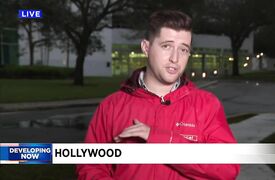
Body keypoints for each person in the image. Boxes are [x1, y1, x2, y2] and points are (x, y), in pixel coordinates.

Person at [76, 10, 239, 180]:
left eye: (183, 49)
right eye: (166, 46)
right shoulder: (112, 106)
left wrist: (158, 138)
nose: (175, 58)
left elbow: (227, 168)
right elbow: (91, 165)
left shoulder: (206, 105)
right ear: (146, 47)